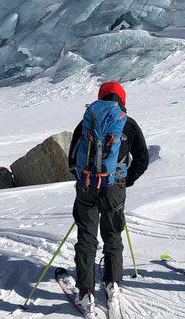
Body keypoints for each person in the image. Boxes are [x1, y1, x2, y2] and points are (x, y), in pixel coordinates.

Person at [68, 81, 149, 316]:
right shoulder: (128, 123)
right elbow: (142, 159)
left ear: (100, 98)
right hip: (115, 187)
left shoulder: (86, 122)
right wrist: (127, 179)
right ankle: (113, 284)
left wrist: (84, 179)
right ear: (121, 100)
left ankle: (85, 293)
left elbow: (72, 161)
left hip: (87, 187)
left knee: (86, 237)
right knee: (112, 234)